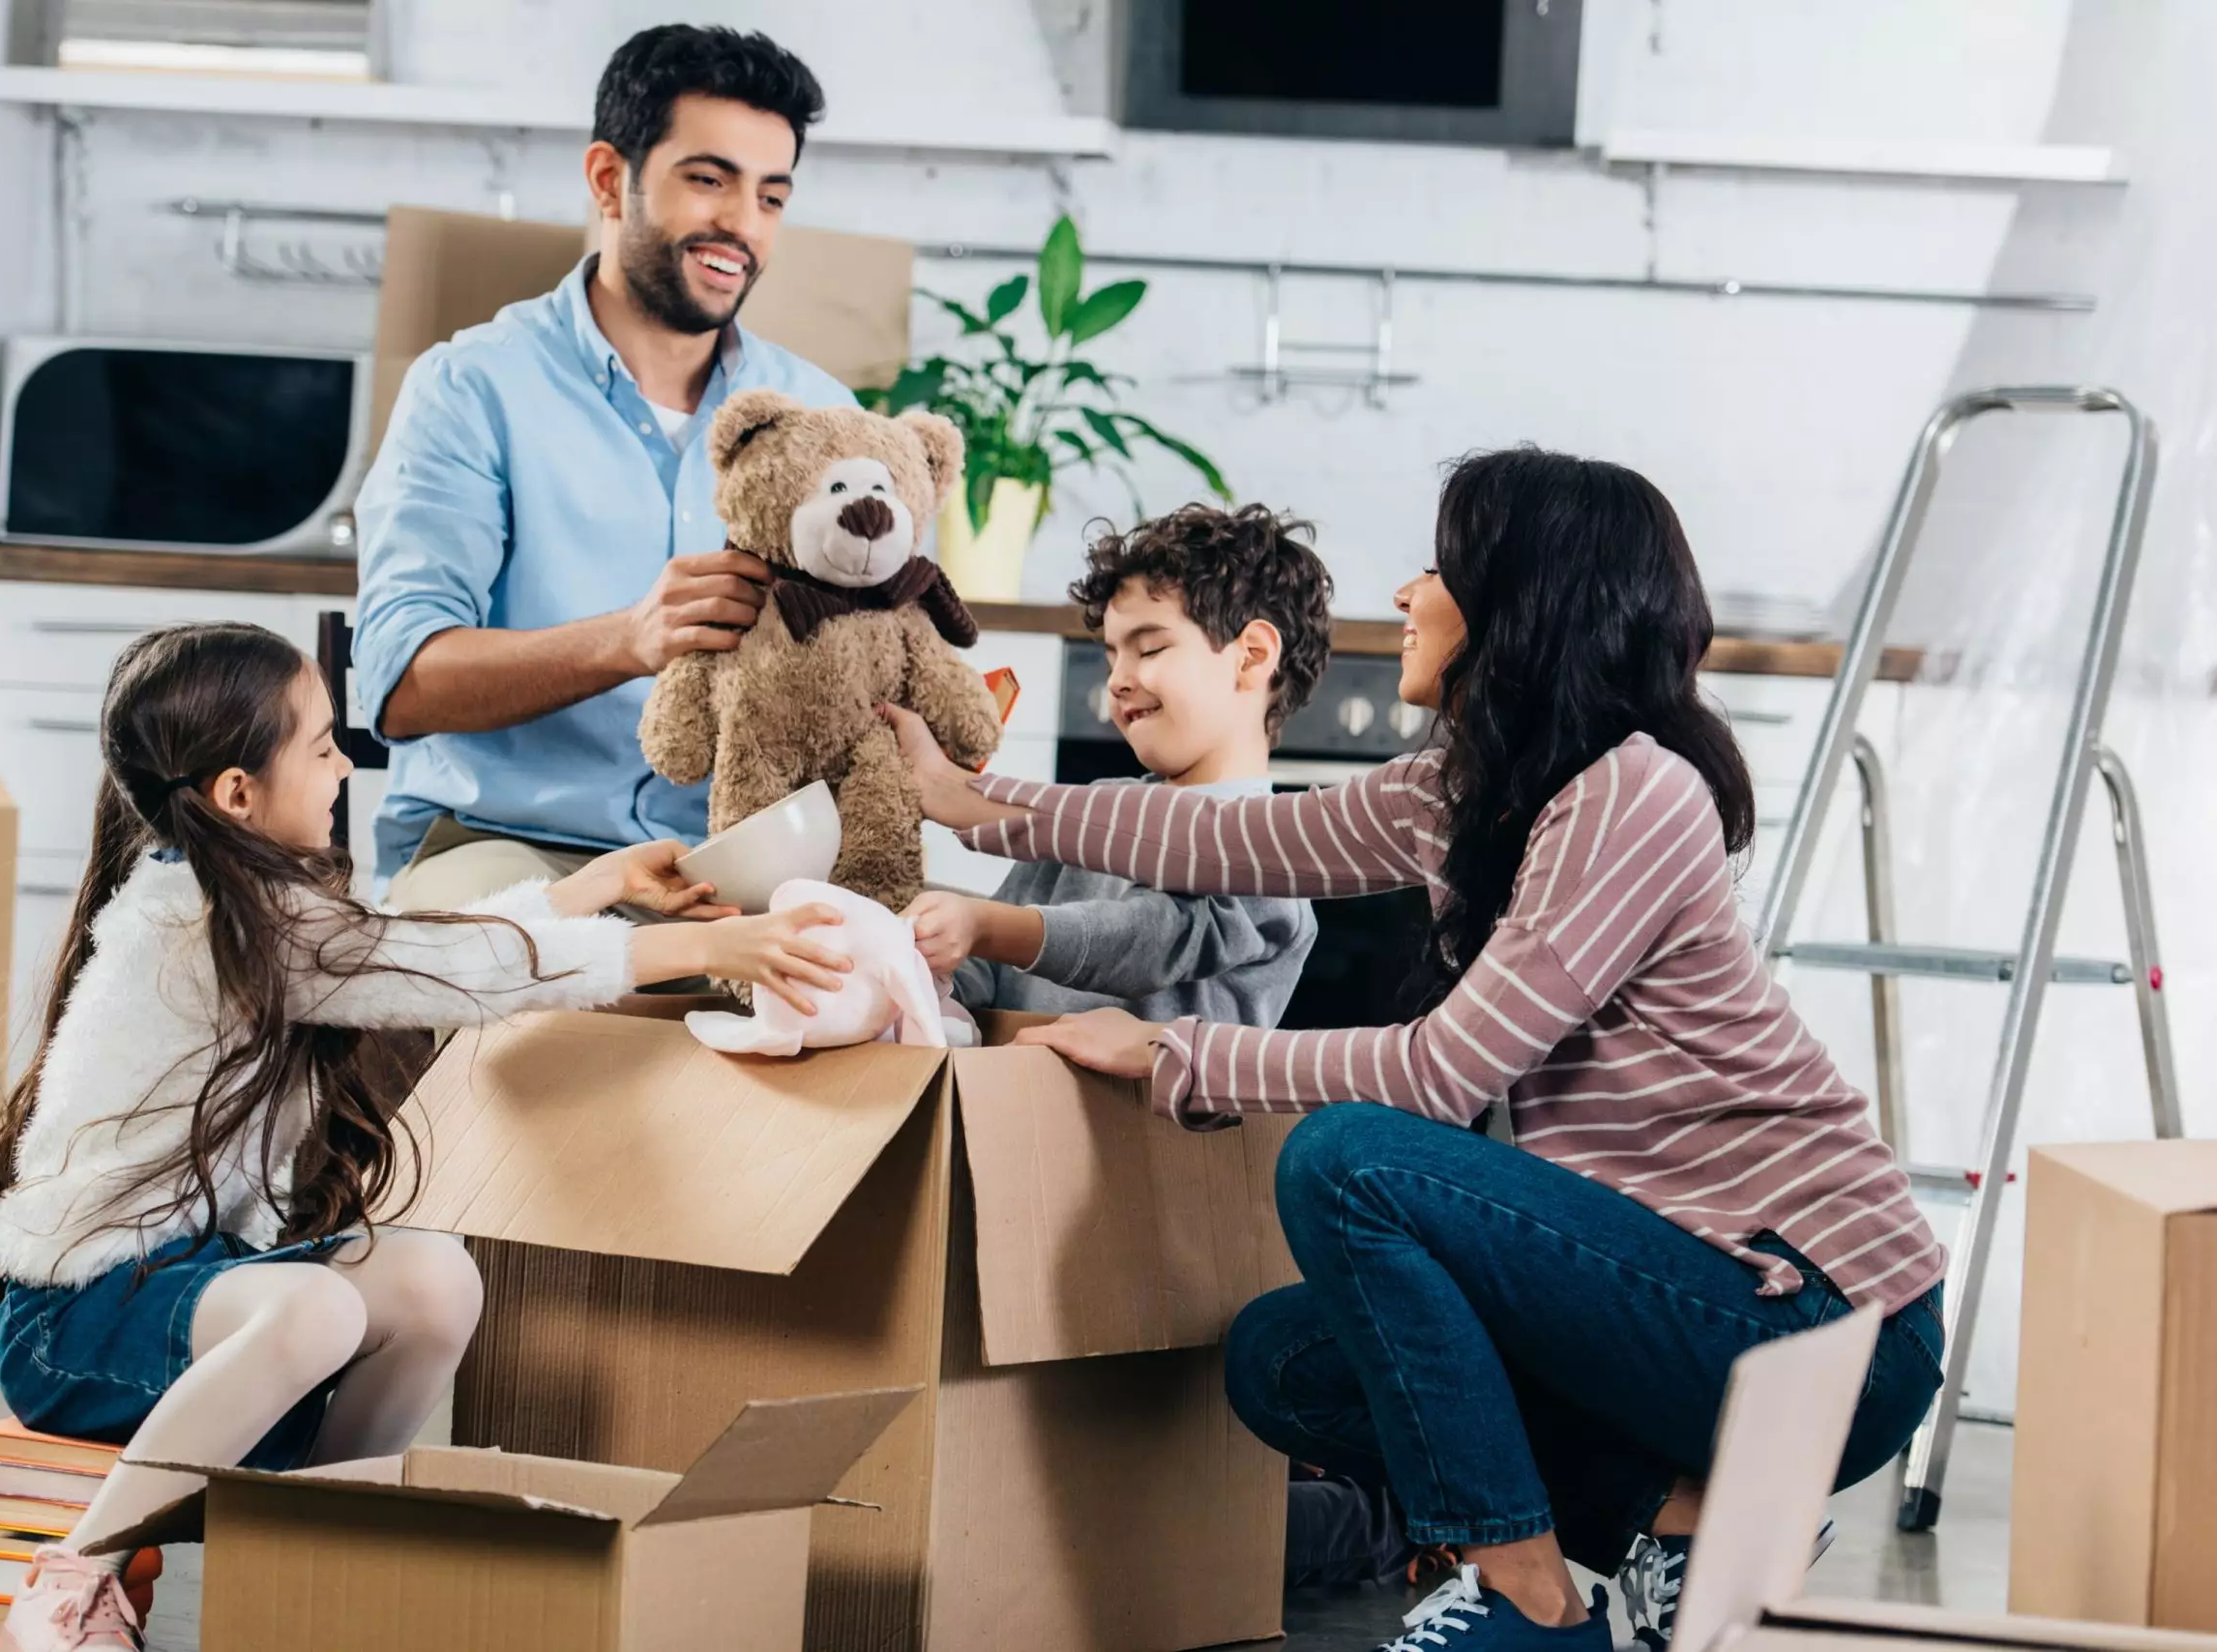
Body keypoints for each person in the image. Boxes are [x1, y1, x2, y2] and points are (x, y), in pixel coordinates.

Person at [889, 448, 1946, 1652]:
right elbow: (1231, 841)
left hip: (1818, 1319)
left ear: (1521, 599)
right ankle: (1680, 1525)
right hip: (1679, 1292)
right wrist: (977, 802)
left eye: (1439, 567)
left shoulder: (1632, 793)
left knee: (1346, 1160)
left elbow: (1446, 1071)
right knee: (1285, 1364)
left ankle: (1525, 1603)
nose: (1402, 594)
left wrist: (1181, 1056)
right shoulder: (1468, 788)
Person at [0, 624, 849, 1652]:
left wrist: (595, 886)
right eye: (319, 745)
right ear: (237, 792)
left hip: (191, 1285)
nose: (343, 763)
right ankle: (72, 1583)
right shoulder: (211, 927)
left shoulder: (252, 903)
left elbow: (409, 950)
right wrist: (699, 943)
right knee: (315, 1305)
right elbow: (435, 971)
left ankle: (316, 1552)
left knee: (432, 1279)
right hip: (75, 1323)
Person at [355, 24, 858, 912]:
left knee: (893, 1003)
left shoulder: (823, 417)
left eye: (771, 197)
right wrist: (627, 640)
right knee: (519, 988)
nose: (741, 225)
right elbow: (399, 687)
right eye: (709, 180)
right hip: (506, 848)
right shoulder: (470, 388)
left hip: (737, 864)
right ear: (607, 179)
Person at [902, 504, 1322, 1028]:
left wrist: (983, 924)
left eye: (1149, 649)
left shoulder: (1271, 857)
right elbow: (985, 970)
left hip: (1137, 1112)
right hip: (1012, 1096)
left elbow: (1146, 942)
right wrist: (915, 948)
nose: (1118, 680)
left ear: (1252, 656)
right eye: (1110, 657)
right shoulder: (1087, 816)